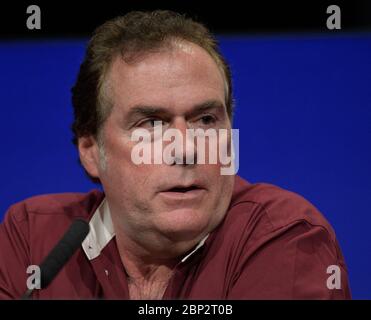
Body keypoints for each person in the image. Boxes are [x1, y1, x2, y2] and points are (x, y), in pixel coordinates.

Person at [0, 10, 350, 299]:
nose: (186, 148)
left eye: (206, 119)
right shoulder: (33, 240)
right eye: (151, 124)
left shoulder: (283, 235)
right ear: (92, 151)